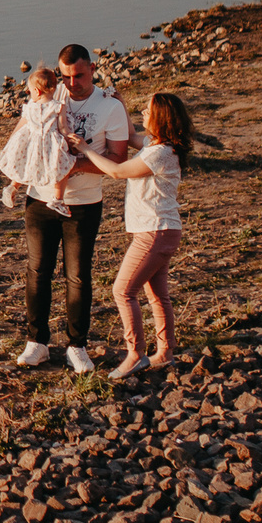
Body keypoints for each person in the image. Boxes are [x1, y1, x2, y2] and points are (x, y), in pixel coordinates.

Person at [14, 45, 130, 373]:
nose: (71, 82)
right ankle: (36, 343)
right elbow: (24, 134)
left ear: (92, 68)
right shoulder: (50, 96)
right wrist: (16, 174)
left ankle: (77, 346)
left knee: (77, 276)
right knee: (37, 272)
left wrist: (75, 165)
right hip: (39, 199)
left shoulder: (109, 107)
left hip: (83, 204)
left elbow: (119, 159)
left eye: (78, 75)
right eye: (65, 76)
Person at [77, 91, 194, 379]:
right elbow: (130, 137)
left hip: (154, 232)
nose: (144, 113)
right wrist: (121, 105)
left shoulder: (160, 153)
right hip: (163, 231)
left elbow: (117, 171)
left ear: (161, 118)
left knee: (122, 290)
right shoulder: (158, 146)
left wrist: (86, 149)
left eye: (148, 110)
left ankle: (136, 354)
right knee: (157, 294)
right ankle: (165, 351)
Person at [0, 66, 80, 215]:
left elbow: (22, 125)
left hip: (32, 142)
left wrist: (11, 141)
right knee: (60, 167)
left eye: (30, 91)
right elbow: (63, 127)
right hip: (51, 143)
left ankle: (13, 186)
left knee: (25, 162)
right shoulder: (58, 106)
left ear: (36, 91)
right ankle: (58, 199)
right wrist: (70, 139)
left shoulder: (30, 107)